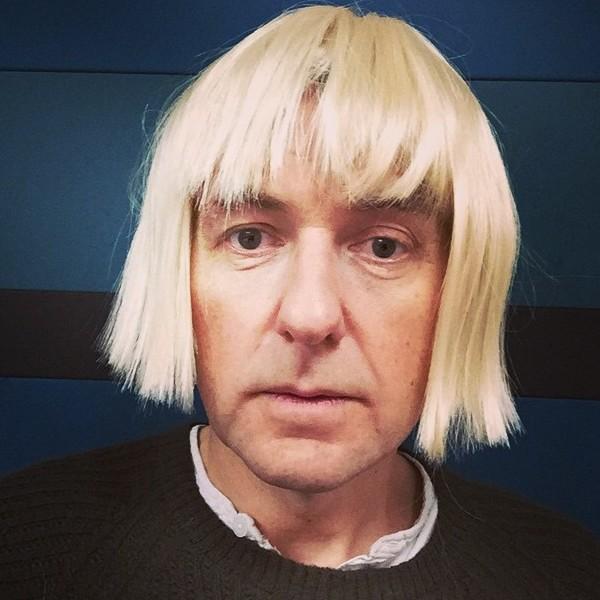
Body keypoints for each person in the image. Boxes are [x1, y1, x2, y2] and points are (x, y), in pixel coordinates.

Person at [1, 4, 598, 599]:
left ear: (459, 286)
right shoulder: (23, 545)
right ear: (179, 270)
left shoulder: (568, 576)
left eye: (384, 246)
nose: (310, 317)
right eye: (250, 238)